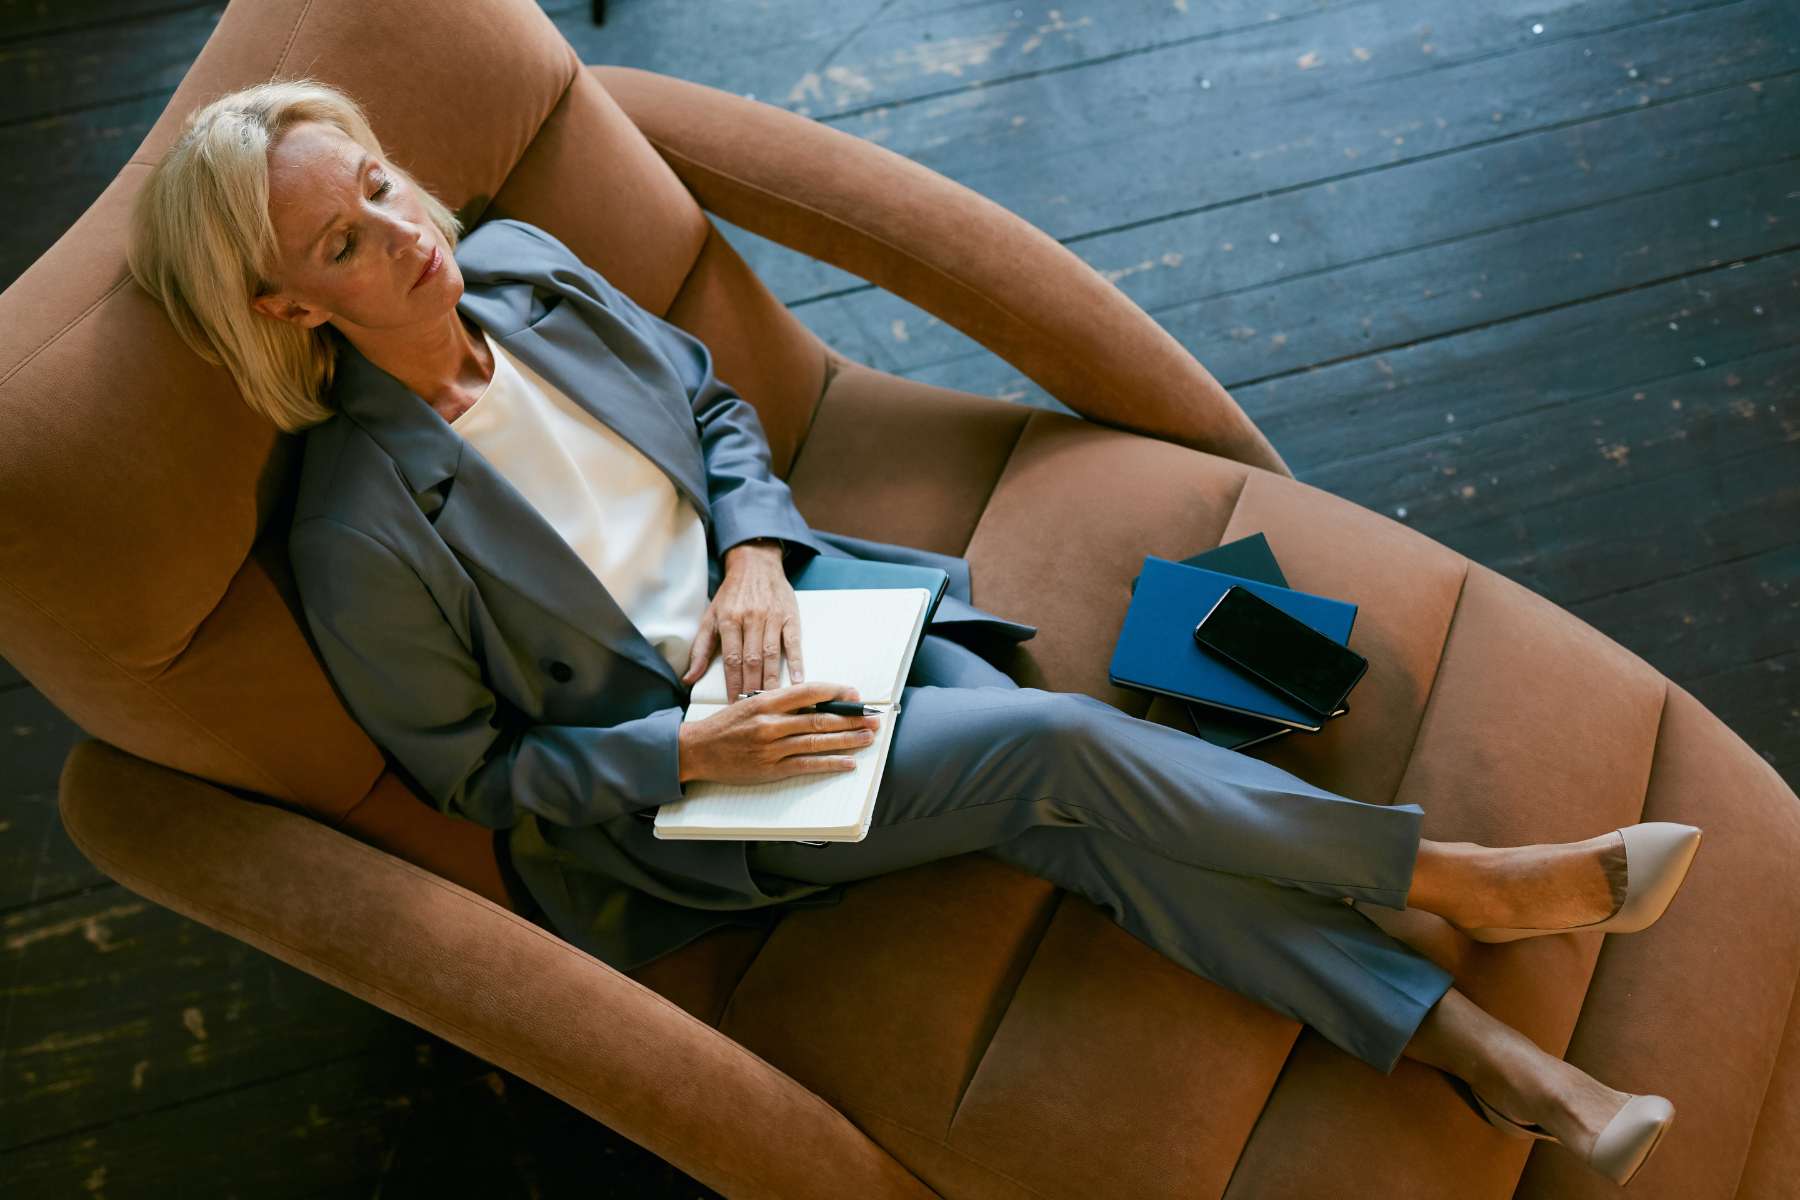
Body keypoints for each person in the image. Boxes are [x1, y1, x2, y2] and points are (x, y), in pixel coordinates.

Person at [127, 78, 1698, 1187]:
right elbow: (477, 775)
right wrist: (692, 743)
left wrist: (751, 556)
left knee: (1086, 819)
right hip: (699, 785)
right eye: (341, 244)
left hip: (813, 625)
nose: (401, 236)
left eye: (381, 187)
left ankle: (1498, 1070)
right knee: (1061, 740)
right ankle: (1466, 885)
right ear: (288, 311)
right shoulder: (357, 524)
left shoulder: (524, 269)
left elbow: (718, 408)